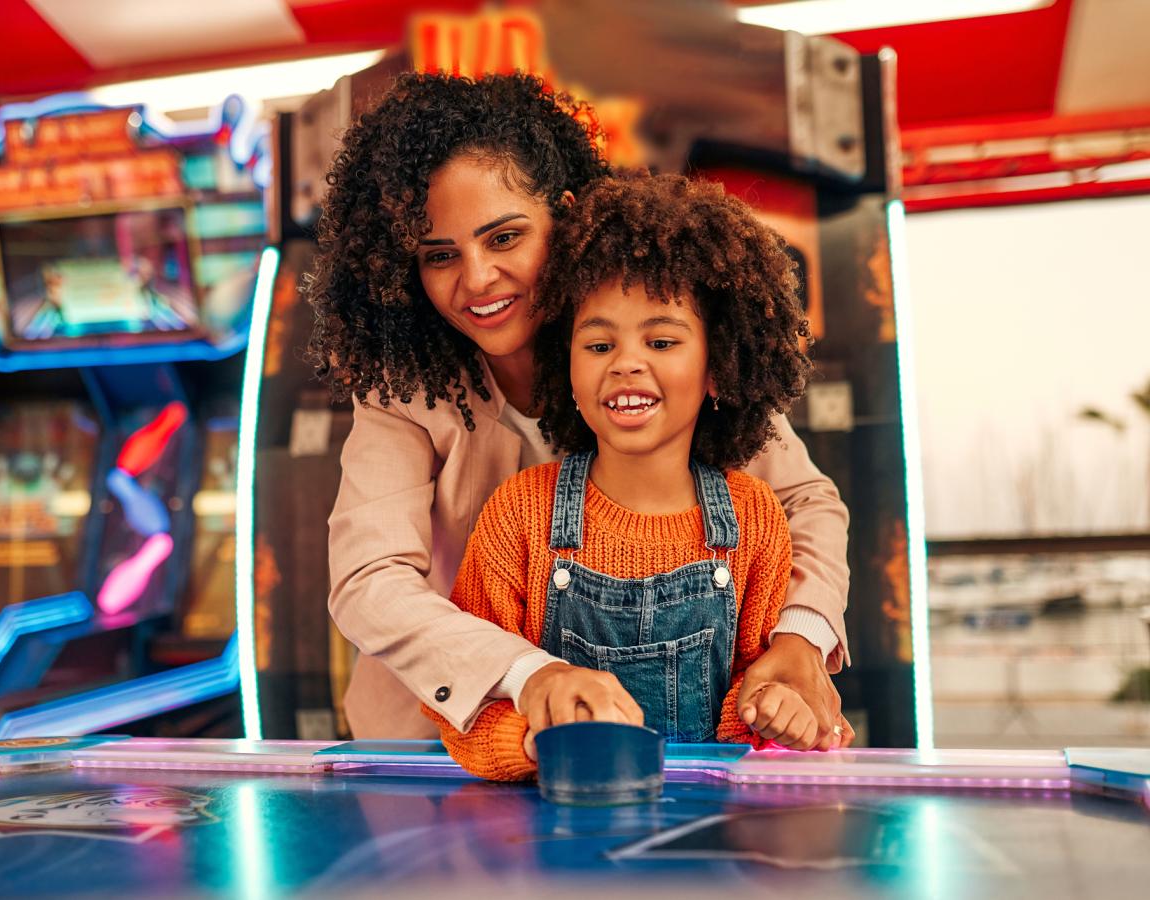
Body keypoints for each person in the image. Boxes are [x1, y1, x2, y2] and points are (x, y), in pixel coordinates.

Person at [307, 72, 853, 749]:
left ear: (563, 217)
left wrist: (801, 637)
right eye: (439, 255)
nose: (476, 278)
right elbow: (369, 580)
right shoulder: (403, 387)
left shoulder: (653, 347)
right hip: (442, 743)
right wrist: (529, 676)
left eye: (504, 238)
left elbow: (805, 501)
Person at [427, 173, 828, 780]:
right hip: (557, 834)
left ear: (718, 367)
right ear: (567, 370)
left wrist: (775, 712)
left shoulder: (756, 519)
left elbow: (759, 681)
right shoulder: (518, 516)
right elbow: (469, 704)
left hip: (707, 840)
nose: (626, 363)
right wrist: (536, 740)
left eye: (662, 340)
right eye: (597, 346)